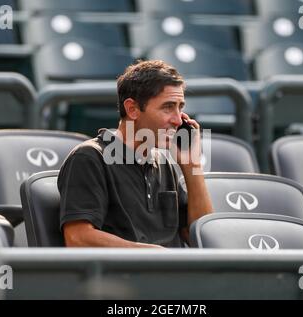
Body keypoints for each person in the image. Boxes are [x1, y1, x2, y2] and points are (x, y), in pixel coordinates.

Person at [58, 60, 213, 248]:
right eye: (168, 107)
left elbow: (200, 238)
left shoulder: (165, 163)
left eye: (180, 107)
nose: (178, 120)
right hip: (127, 276)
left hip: (174, 274)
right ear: (132, 109)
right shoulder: (89, 158)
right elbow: (78, 238)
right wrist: (157, 256)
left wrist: (192, 165)